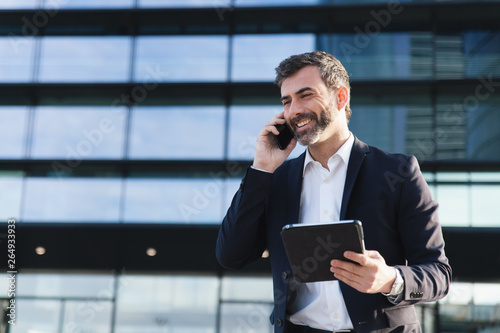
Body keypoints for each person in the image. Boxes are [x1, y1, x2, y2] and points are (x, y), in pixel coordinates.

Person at [216, 51, 451, 333]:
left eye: (305, 95)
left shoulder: (398, 172)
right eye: (286, 101)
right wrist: (261, 169)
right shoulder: (276, 180)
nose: (294, 111)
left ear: (341, 98)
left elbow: (438, 274)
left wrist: (390, 279)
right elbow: (231, 255)